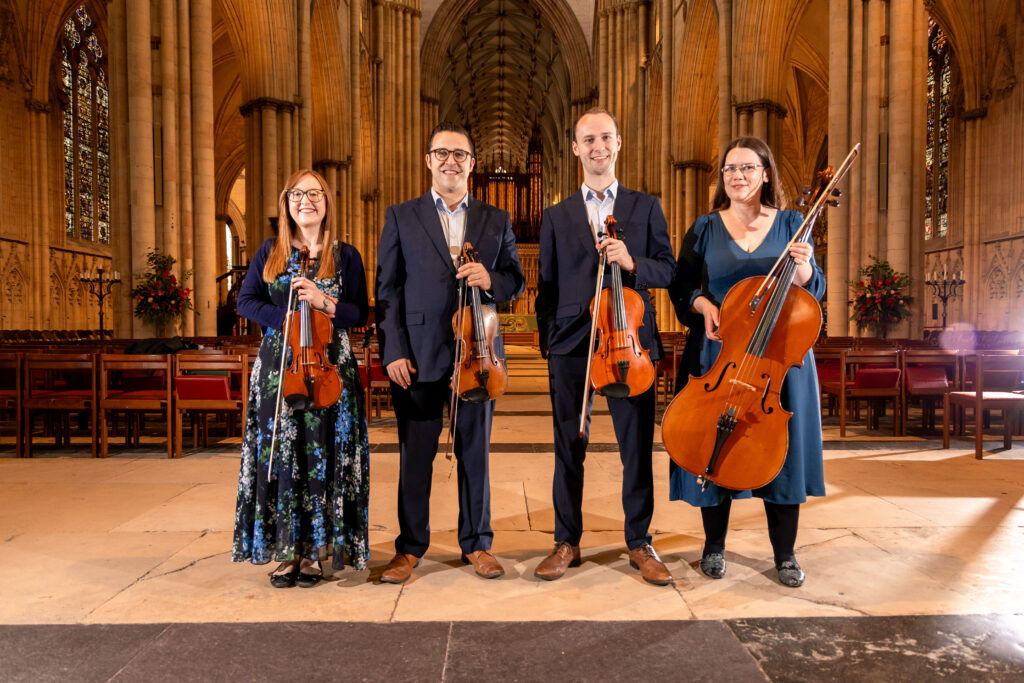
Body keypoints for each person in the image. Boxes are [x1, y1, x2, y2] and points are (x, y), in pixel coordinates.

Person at [667, 135, 825, 588]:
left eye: (748, 167)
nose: (738, 176)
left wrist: (804, 268)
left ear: (766, 174)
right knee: (712, 446)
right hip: (721, 354)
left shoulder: (793, 223)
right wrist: (702, 304)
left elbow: (814, 291)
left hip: (779, 360)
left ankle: (786, 555)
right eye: (730, 169)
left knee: (781, 450)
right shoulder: (704, 228)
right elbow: (681, 286)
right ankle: (713, 547)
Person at [375, 122, 525, 583]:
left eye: (459, 154)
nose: (450, 161)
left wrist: (491, 279)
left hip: (478, 356)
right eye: (442, 152)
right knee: (415, 457)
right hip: (417, 357)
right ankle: (409, 548)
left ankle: (477, 544)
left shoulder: (496, 218)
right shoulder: (402, 216)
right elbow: (387, 290)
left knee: (475, 455)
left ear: (472, 164)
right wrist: (393, 350)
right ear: (428, 160)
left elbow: (516, 280)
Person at [534, 108, 676, 585]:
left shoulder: (646, 206)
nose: (598, 147)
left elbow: (668, 269)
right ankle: (566, 542)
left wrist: (633, 262)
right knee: (568, 447)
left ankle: (639, 541)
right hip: (572, 345)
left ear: (618, 143)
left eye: (606, 138)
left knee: (635, 448)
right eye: (588, 139)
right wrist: (551, 342)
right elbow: (546, 287)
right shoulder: (556, 216)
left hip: (628, 342)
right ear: (576, 148)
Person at [232, 169, 370, 588]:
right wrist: (287, 317)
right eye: (296, 194)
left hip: (330, 369)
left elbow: (361, 312)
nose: (305, 201)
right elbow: (245, 302)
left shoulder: (345, 256)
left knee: (323, 455)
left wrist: (325, 303)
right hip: (280, 369)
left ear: (327, 202)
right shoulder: (270, 252)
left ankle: (314, 553)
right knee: (282, 457)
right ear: (286, 202)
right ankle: (287, 552)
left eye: (314, 193)